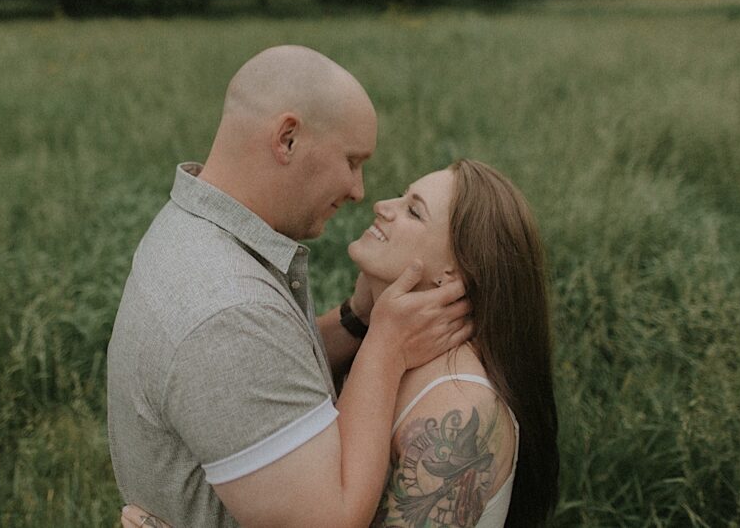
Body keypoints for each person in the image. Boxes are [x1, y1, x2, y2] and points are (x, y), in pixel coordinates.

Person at [107, 45, 472, 528]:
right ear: (288, 139)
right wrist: (385, 348)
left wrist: (358, 319)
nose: (361, 191)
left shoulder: (189, 231)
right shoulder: (229, 311)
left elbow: (268, 370)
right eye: (352, 160)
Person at [121, 159, 560, 527]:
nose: (382, 206)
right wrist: (367, 324)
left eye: (414, 211)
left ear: (452, 276)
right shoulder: (386, 348)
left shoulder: (458, 411)